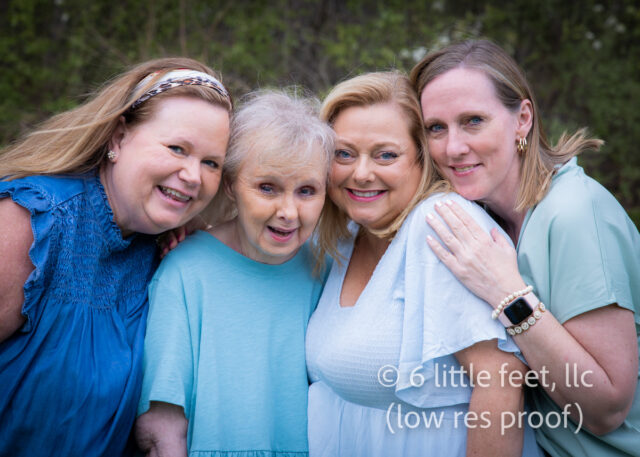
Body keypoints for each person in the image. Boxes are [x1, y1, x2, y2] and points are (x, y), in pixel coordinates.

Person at [410, 39, 640, 457]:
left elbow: (607, 407)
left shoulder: (574, 213)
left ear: (522, 119)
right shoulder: (488, 215)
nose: (452, 147)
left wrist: (507, 293)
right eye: (436, 128)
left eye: (473, 121)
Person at [0, 58, 232, 457]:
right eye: (177, 148)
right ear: (118, 138)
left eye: (211, 163)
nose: (194, 176)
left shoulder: (166, 253)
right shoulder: (32, 225)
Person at [305, 71, 543, 457]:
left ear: (423, 158)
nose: (360, 173)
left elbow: (500, 380)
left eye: (386, 155)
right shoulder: (345, 235)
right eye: (344, 154)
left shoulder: (440, 224)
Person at [135, 90, 335, 457]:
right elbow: (162, 422)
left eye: (307, 191)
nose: (289, 212)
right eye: (267, 188)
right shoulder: (185, 270)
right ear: (231, 185)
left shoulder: (326, 266)